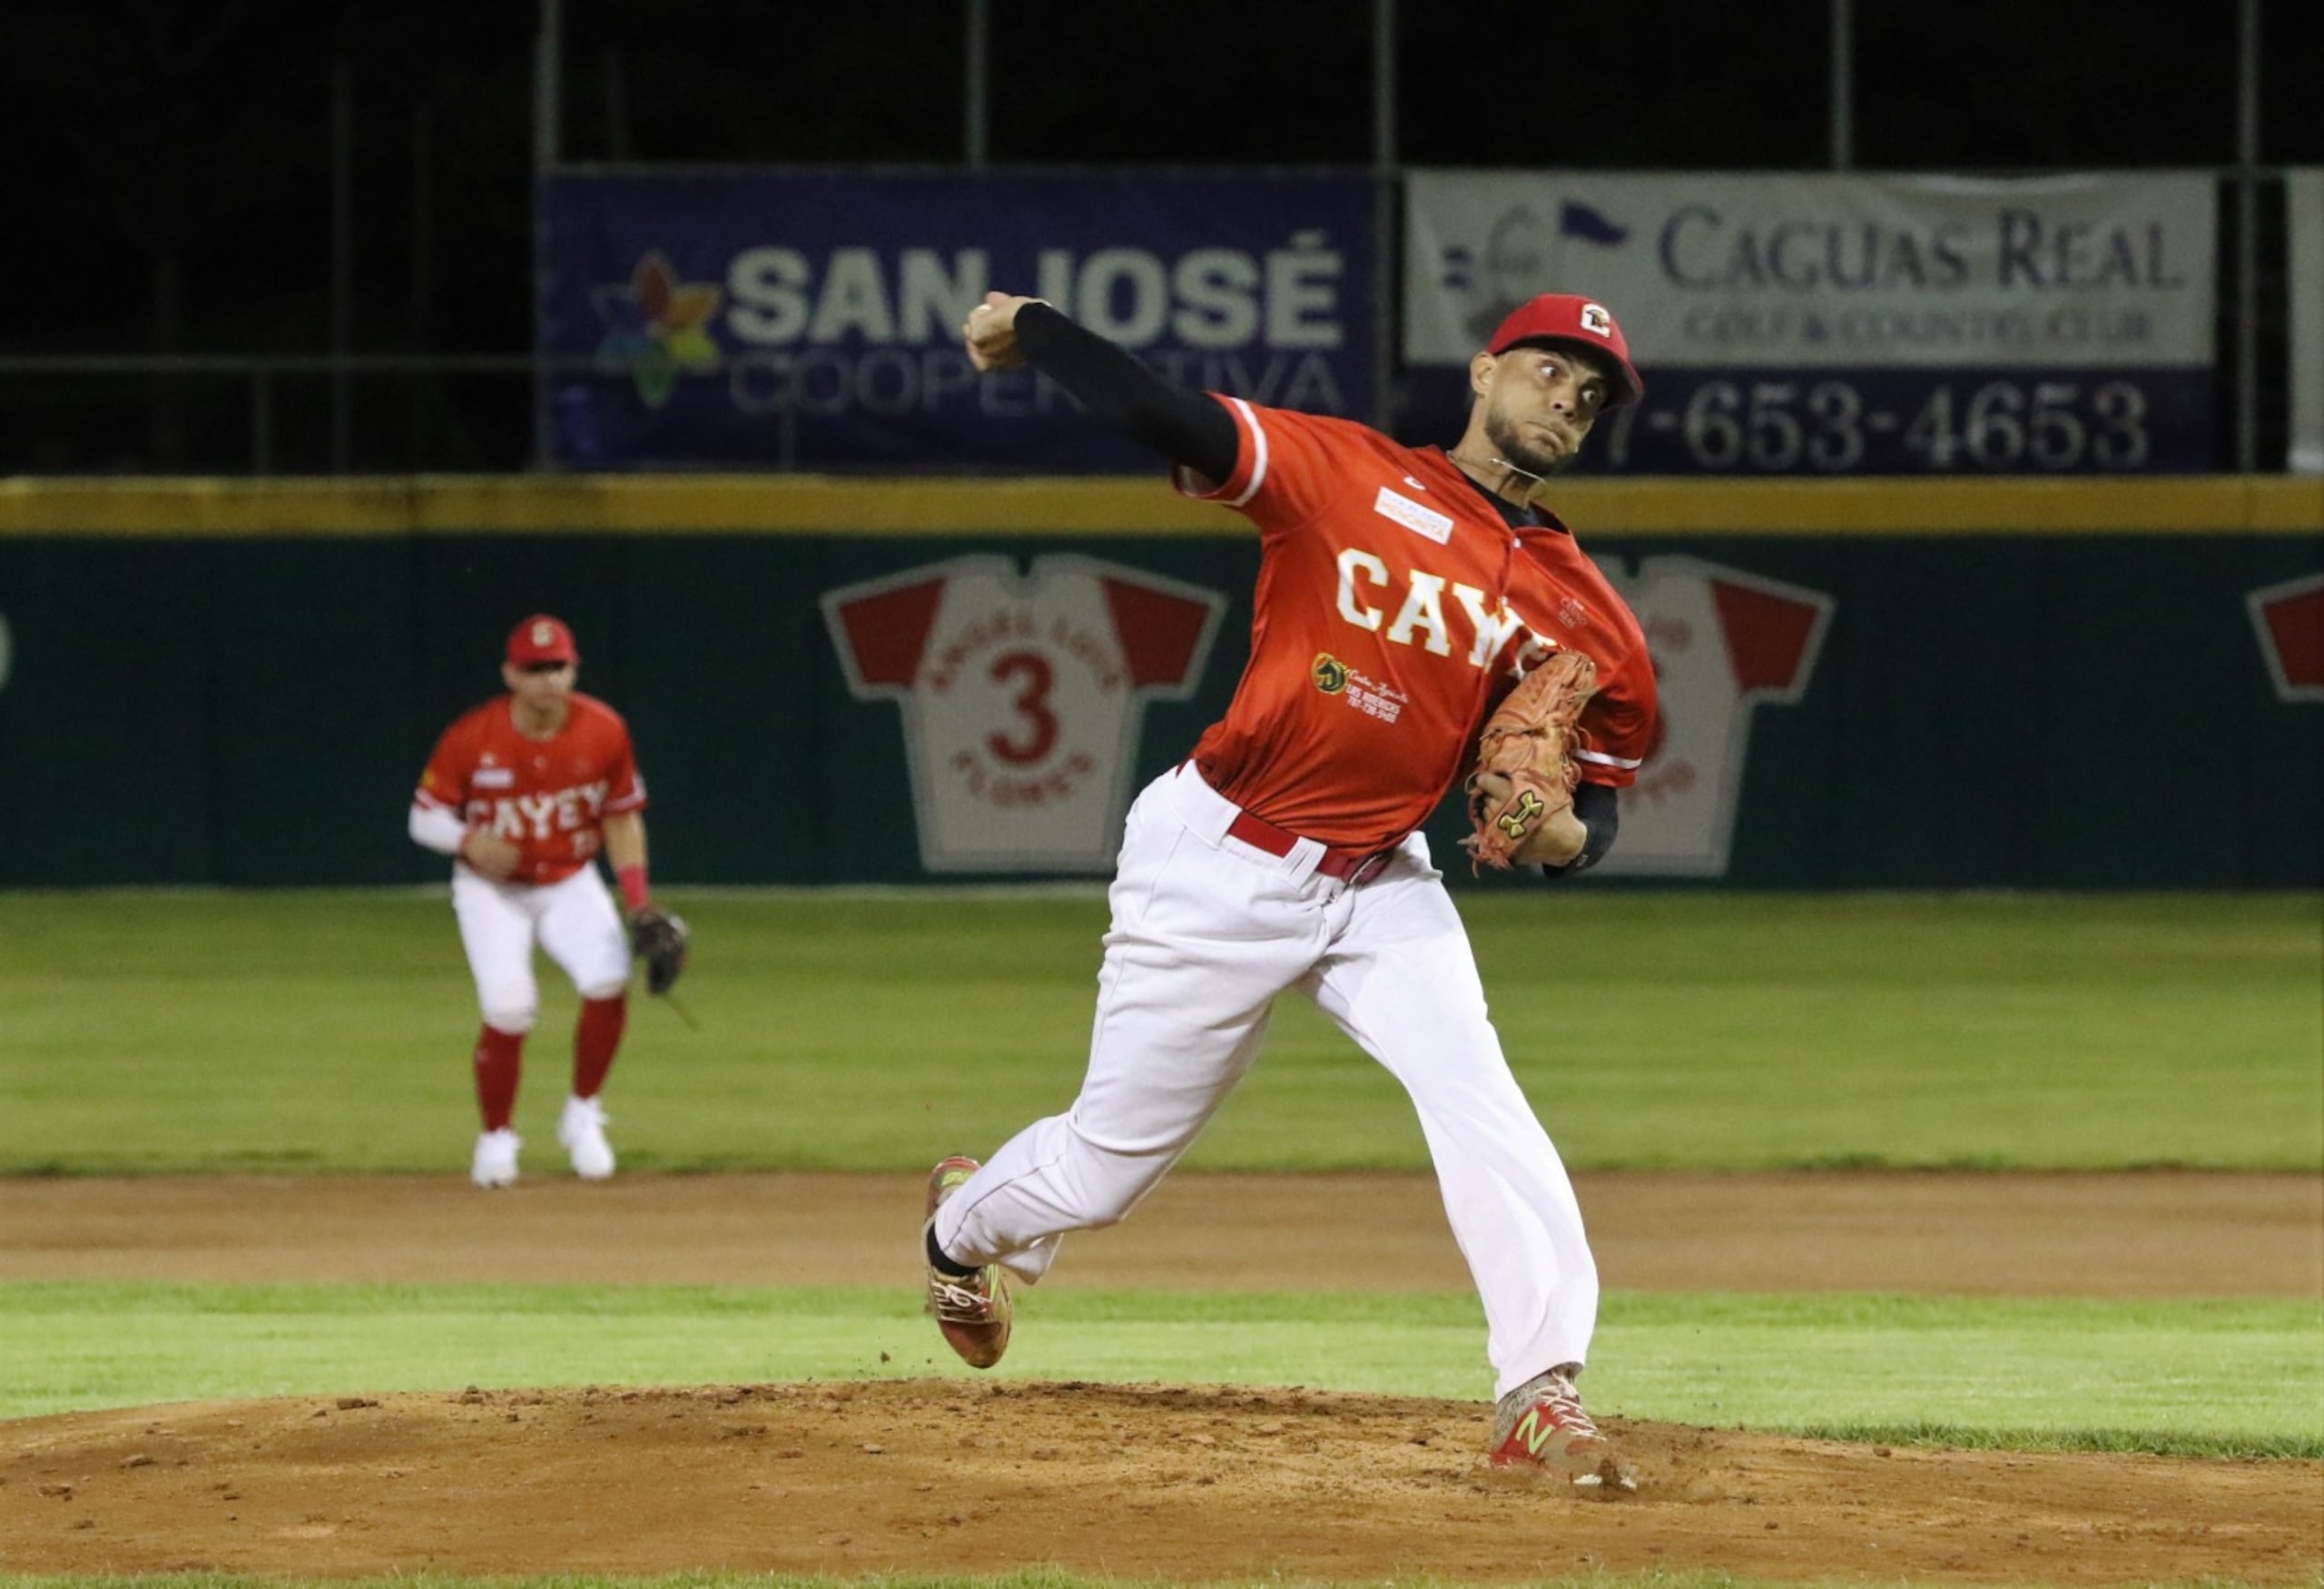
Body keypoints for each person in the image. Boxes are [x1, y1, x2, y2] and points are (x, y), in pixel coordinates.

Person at [920, 289, 1659, 1491]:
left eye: (1591, 393)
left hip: (1381, 881)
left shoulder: (1590, 615)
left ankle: (1540, 1391)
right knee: (1104, 1167)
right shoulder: (1344, 474)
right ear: (1484, 372)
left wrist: (1563, 834)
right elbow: (1166, 415)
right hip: (1216, 862)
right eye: (1547, 368)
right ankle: (962, 1229)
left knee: (1481, 1101)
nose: (1567, 399)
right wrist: (1041, 328)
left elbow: (1600, 816)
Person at [408, 614, 660, 1189]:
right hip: (491, 889)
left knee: (607, 980)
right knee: (509, 1008)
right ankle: (497, 1136)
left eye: (557, 666)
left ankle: (582, 1114)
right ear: (511, 674)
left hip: (569, 877)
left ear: (573, 670)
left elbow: (621, 817)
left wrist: (639, 902)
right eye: (534, 668)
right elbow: (422, 818)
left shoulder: (605, 731)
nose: (547, 678)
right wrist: (468, 840)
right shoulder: (473, 735)